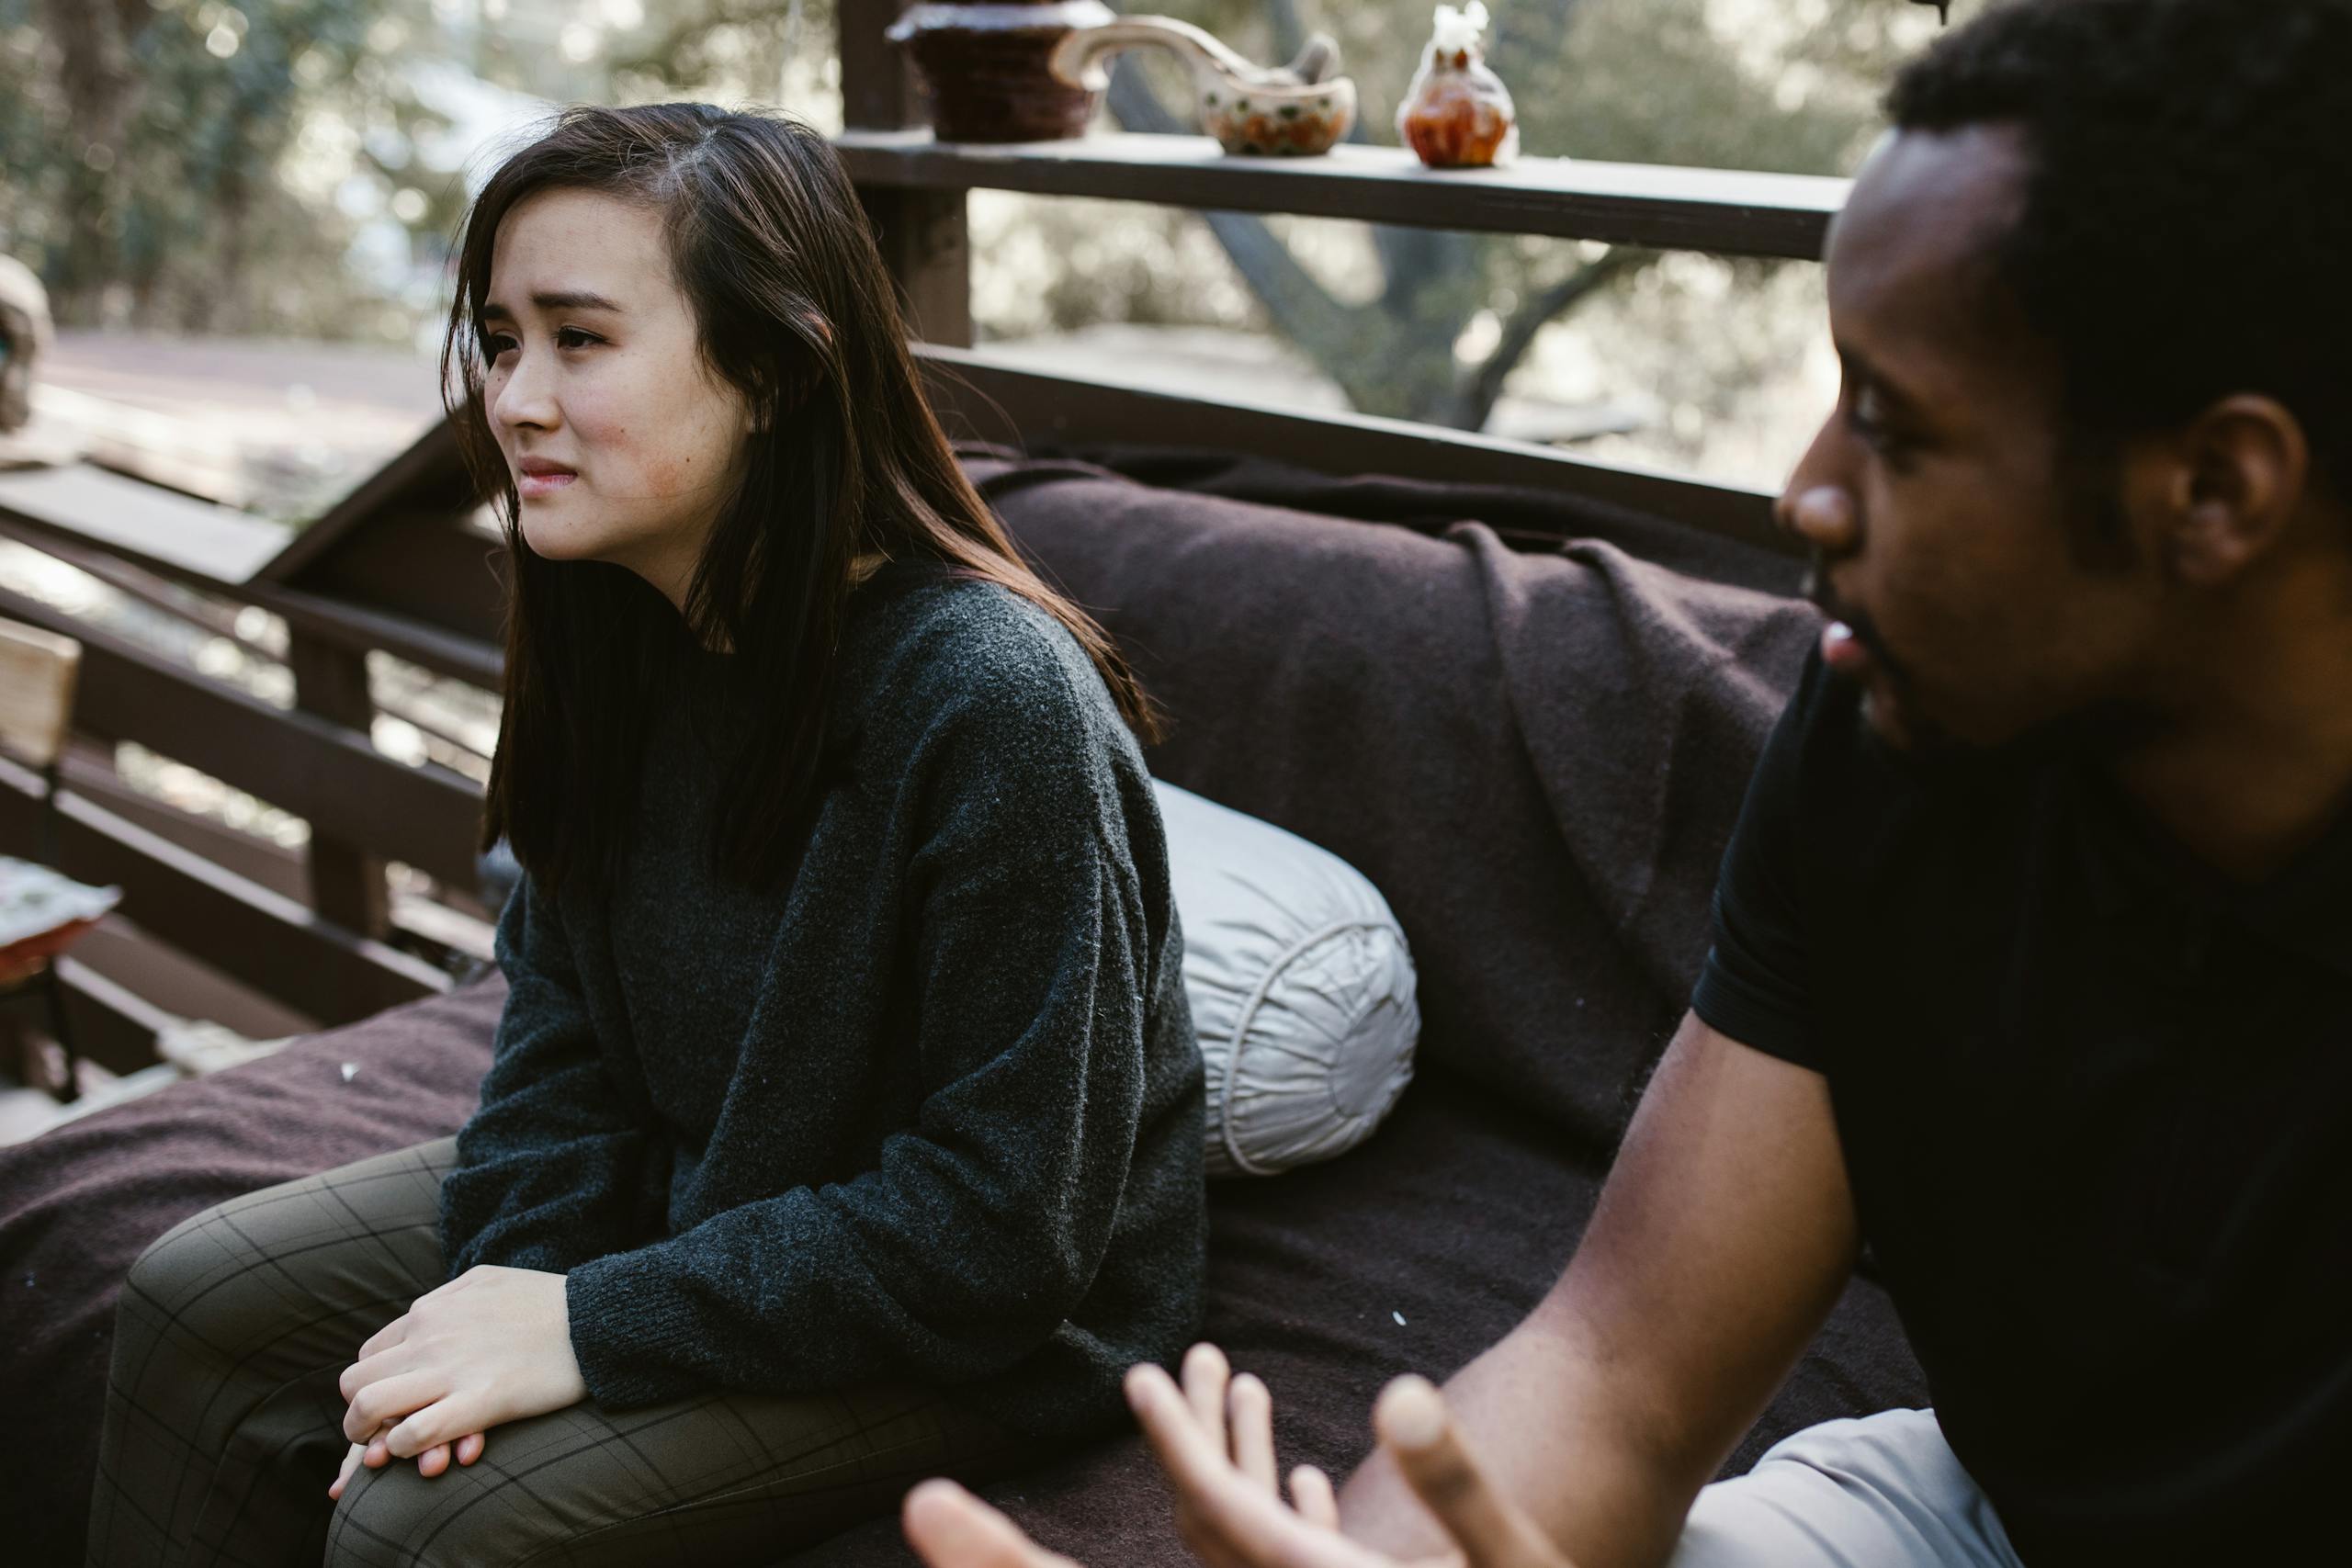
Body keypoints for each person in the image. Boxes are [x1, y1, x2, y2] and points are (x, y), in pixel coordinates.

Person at [899, 1, 2352, 1564]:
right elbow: (1622, 1374)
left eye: (1892, 424)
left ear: (2215, 491)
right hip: (1981, 1503)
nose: (1807, 491)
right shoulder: (1896, 727)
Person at [84, 103, 1206, 1568]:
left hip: (1000, 1322)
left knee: (437, 1525)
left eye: (580, 339)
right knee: (192, 1299)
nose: (513, 398)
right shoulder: (612, 616)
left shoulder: (993, 704)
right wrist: (514, 1284)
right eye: (500, 340)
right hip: (709, 1173)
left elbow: (1004, 1228)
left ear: (778, 369)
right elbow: (560, 1024)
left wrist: (592, 1323)